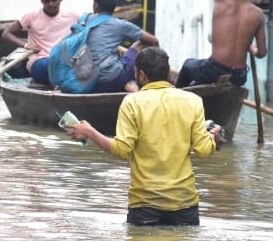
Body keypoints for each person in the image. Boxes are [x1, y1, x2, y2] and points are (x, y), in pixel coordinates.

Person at [64, 48, 222, 227]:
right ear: (167, 72)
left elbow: (121, 150)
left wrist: (90, 132)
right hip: (184, 204)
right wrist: (213, 138)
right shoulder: (192, 101)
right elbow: (203, 150)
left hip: (145, 204)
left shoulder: (132, 102)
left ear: (141, 74)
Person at [80, 0, 158, 93]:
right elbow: (153, 41)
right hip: (109, 81)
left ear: (95, 6)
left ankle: (128, 84)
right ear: (114, 7)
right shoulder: (119, 25)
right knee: (143, 44)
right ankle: (141, 83)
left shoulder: (84, 20)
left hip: (83, 82)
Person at [1, 0, 78, 83]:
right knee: (50, 66)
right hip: (39, 62)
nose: (51, 4)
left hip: (63, 62)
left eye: (54, 0)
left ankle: (61, 82)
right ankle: (59, 83)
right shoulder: (31, 15)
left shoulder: (73, 16)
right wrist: (27, 45)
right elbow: (6, 34)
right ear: (41, 0)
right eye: (47, 1)